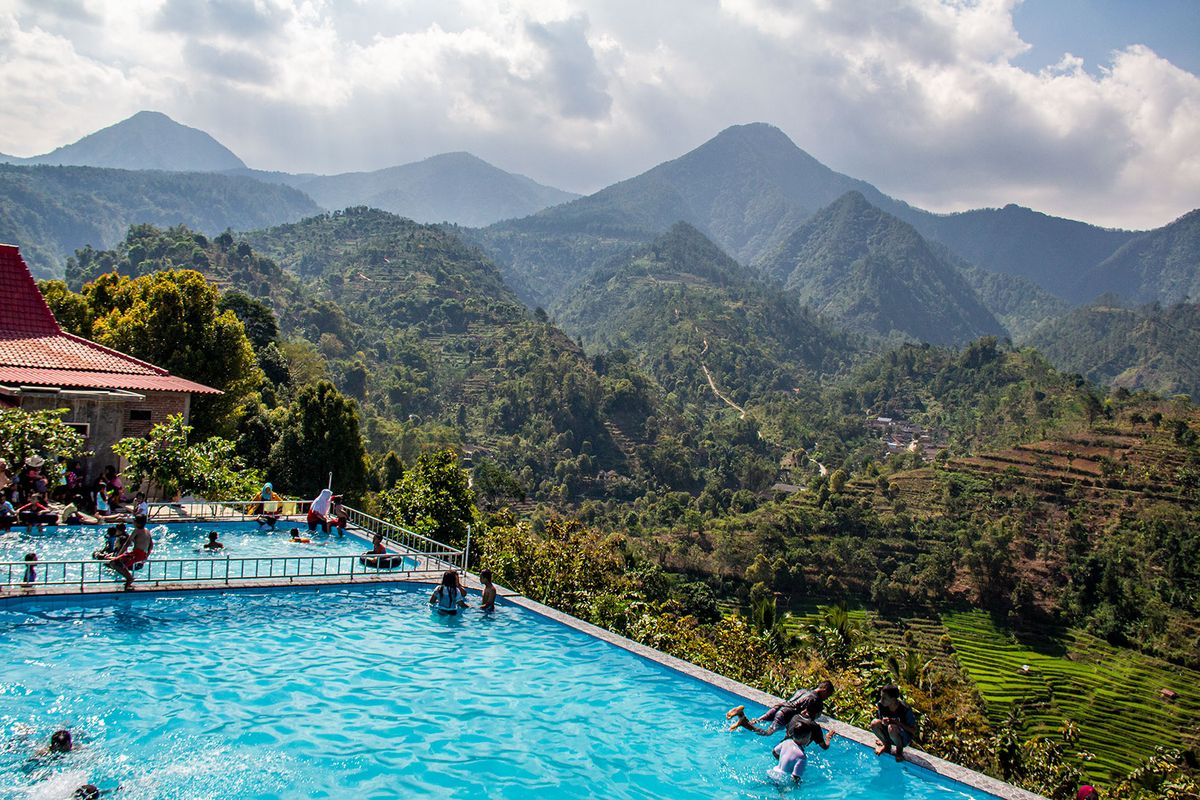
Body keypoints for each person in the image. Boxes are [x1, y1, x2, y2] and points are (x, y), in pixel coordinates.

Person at [728, 680, 836, 735]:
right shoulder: (816, 700)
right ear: (824, 690)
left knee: (758, 721)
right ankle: (743, 722)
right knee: (767, 733)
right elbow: (805, 715)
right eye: (828, 695)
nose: (827, 698)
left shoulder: (803, 690)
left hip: (779, 707)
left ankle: (741, 714)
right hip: (785, 714)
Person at [768, 714, 835, 784]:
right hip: (783, 780)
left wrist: (785, 762)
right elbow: (795, 777)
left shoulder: (786, 742)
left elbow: (774, 752)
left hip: (773, 773)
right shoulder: (801, 756)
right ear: (805, 738)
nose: (809, 740)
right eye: (809, 737)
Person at [871, 684, 918, 761]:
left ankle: (899, 751)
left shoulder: (904, 709)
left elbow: (913, 731)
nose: (881, 700)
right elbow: (880, 722)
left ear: (893, 700)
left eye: (884, 698)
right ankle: (886, 745)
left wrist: (897, 723)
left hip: (903, 738)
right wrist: (884, 723)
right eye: (881, 697)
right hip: (890, 735)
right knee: (874, 723)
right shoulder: (881, 705)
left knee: (892, 727)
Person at [105, 515, 153, 590]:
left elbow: (127, 543)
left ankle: (129, 578)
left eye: (134, 521)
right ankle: (129, 579)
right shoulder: (147, 531)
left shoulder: (136, 530)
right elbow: (151, 545)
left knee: (113, 563)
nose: (133, 523)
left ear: (137, 523)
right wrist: (147, 556)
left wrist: (118, 555)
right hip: (142, 554)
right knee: (122, 564)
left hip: (136, 554)